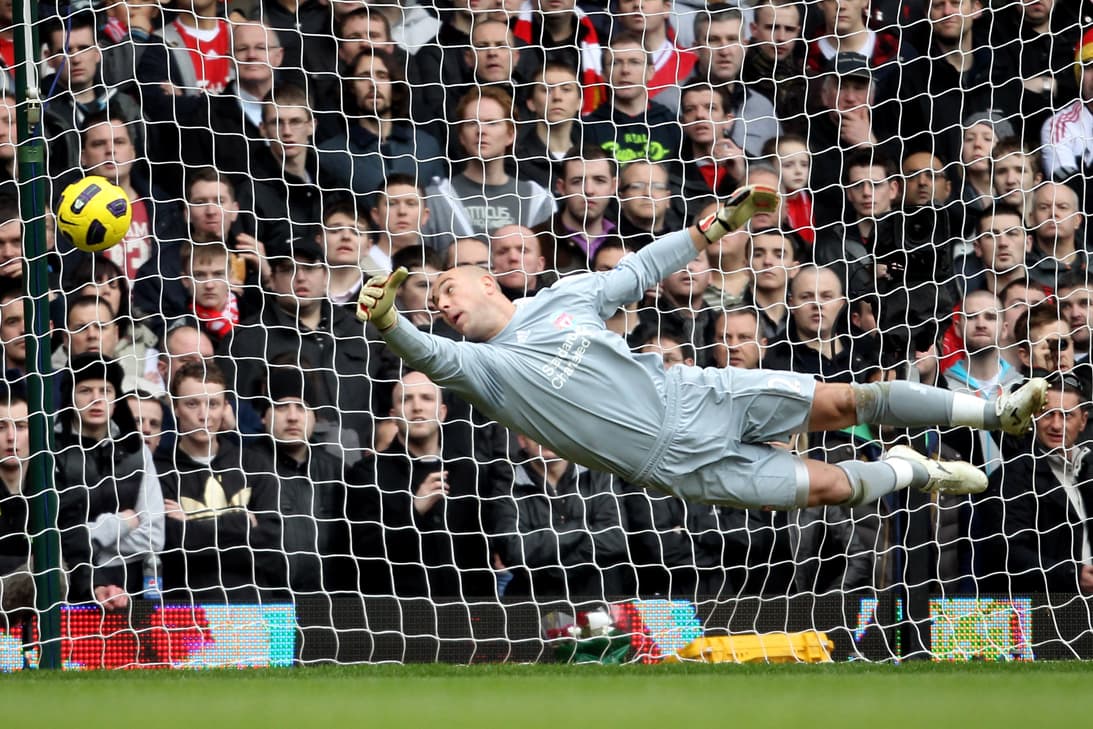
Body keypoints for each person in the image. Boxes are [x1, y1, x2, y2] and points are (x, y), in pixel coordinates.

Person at [357, 186, 1050, 512]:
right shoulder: (483, 367)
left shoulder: (561, 299)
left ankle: (993, 413)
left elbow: (640, 270)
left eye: (447, 287)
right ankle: (910, 471)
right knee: (835, 487)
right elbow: (433, 357)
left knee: (847, 402)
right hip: (677, 466)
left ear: (486, 281)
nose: (441, 303)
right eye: (432, 300)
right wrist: (390, 321)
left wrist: (717, 223)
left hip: (699, 395)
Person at [972, 371, 1093, 594]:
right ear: (1033, 416)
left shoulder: (1087, 468)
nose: (1056, 425)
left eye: (1067, 415)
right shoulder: (1010, 479)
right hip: (1043, 611)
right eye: (1047, 414)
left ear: (1083, 421)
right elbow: (1009, 553)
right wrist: (1073, 575)